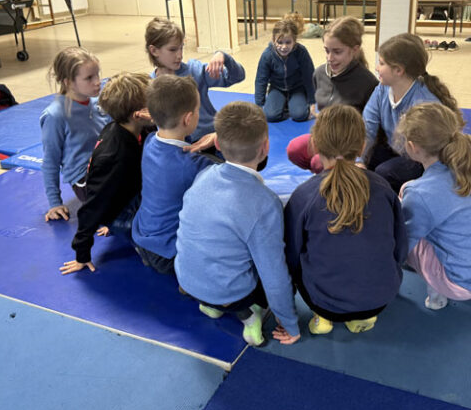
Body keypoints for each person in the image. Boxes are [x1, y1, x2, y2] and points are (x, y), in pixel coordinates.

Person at [175, 102, 300, 347]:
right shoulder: (265, 203)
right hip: (230, 294)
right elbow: (274, 275)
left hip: (187, 281)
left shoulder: (203, 176)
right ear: (266, 147)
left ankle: (212, 306)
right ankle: (250, 318)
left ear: (217, 144)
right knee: (282, 264)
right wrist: (289, 322)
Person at [284, 105, 406, 335]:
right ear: (362, 146)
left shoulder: (304, 196)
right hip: (380, 297)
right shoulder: (382, 187)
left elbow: (290, 255)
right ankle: (364, 317)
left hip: (324, 302)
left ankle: (322, 318)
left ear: (315, 146)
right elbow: (400, 246)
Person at [397, 103, 471, 310]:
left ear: (413, 147)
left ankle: (437, 297)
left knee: (401, 215)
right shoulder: (466, 168)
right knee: (411, 197)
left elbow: (402, 243)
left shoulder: (420, 193)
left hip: (461, 283)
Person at [60, 73, 154, 275]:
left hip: (128, 196)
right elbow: (92, 206)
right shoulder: (114, 156)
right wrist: (82, 254)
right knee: (158, 255)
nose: (157, 107)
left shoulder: (129, 128)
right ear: (138, 115)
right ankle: (131, 236)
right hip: (120, 213)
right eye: (153, 104)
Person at [131, 75, 214, 275]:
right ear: (188, 119)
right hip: (169, 253)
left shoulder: (150, 141)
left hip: (141, 238)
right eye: (197, 110)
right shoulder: (194, 165)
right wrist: (219, 138)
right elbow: (236, 168)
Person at [363, 32, 463, 193]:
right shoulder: (382, 89)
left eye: (381, 63)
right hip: (398, 149)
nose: (376, 68)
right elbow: (367, 127)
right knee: (355, 159)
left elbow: (428, 153)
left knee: (384, 172)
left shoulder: (423, 102)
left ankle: (392, 202)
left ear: (398, 70)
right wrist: (358, 160)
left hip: (421, 157)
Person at [286, 16, 378, 173]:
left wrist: (360, 159)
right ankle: (327, 174)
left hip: (346, 146)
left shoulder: (367, 82)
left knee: (318, 162)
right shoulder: (319, 73)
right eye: (327, 51)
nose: (330, 58)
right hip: (325, 137)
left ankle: (337, 175)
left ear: (354, 50)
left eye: (337, 52)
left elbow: (371, 129)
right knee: (294, 149)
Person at [144, 17, 246, 153]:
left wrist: (224, 57)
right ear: (154, 51)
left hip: (210, 140)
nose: (179, 55)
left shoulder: (194, 71)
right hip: (179, 148)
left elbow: (237, 76)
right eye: (173, 50)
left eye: (181, 48)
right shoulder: (151, 85)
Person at [40, 47, 111, 222]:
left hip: (106, 164)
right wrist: (55, 203)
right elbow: (50, 161)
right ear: (69, 82)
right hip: (86, 179)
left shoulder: (98, 104)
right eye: (89, 78)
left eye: (97, 74)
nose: (98, 82)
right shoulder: (55, 116)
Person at [254, 12, 315, 122]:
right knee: (270, 116)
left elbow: (309, 77)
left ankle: (294, 102)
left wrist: (312, 102)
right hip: (277, 88)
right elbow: (261, 80)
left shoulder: (301, 52)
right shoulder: (267, 55)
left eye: (288, 42)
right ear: (273, 40)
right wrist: (259, 105)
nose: (284, 47)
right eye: (280, 42)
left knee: (300, 115)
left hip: (297, 88)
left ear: (294, 41)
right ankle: (284, 102)